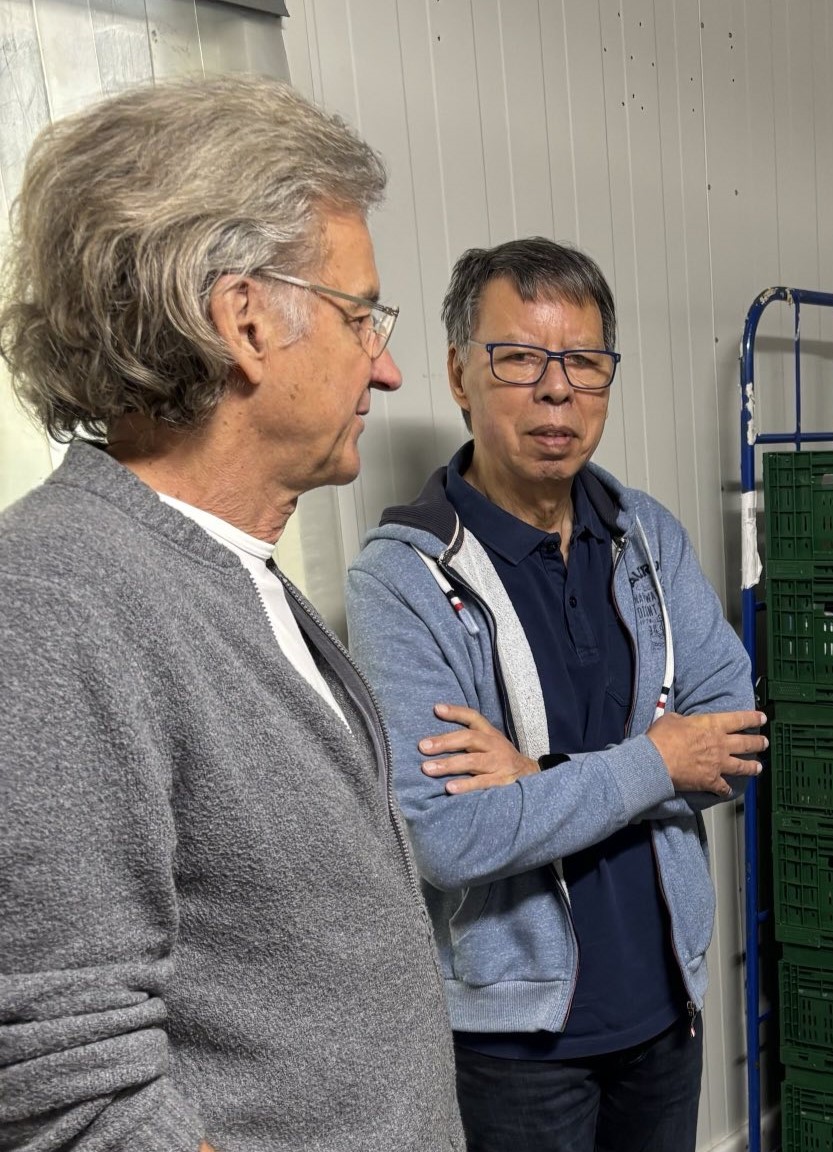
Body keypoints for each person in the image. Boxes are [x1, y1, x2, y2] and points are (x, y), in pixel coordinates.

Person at [0, 76, 462, 1151]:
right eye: (362, 317)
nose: (385, 367)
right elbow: (68, 1094)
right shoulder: (57, 605)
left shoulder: (227, 571)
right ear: (245, 319)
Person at [344, 237, 765, 1152]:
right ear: (460, 373)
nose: (557, 389)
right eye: (520, 358)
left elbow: (731, 741)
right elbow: (447, 838)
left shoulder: (645, 535)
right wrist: (657, 757)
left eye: (584, 361)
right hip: (515, 1046)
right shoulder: (403, 580)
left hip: (665, 1005)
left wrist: (538, 773)